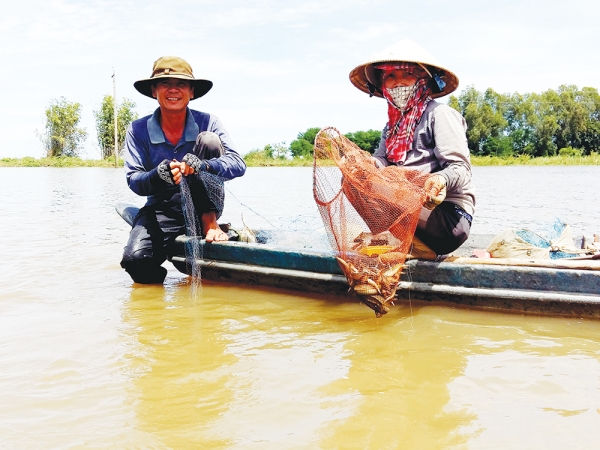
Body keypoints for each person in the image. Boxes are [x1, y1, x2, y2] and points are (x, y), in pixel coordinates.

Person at [121, 56, 246, 284]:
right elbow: (134, 179)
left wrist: (204, 165)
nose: (173, 90)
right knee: (134, 261)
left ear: (191, 92)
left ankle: (211, 224)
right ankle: (162, 292)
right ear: (153, 91)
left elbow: (238, 164)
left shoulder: (209, 122)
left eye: (181, 84)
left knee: (208, 141)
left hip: (204, 209)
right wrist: (158, 175)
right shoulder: (138, 129)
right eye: (165, 83)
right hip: (161, 210)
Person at [348, 39, 475, 258]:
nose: (398, 83)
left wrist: (440, 180)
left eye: (407, 75)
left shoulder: (439, 115)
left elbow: (460, 168)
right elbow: (381, 162)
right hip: (412, 213)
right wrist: (362, 164)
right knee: (354, 180)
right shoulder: (391, 126)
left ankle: (409, 245)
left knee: (388, 182)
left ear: (425, 80)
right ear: (382, 85)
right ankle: (408, 245)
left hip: (447, 218)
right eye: (390, 76)